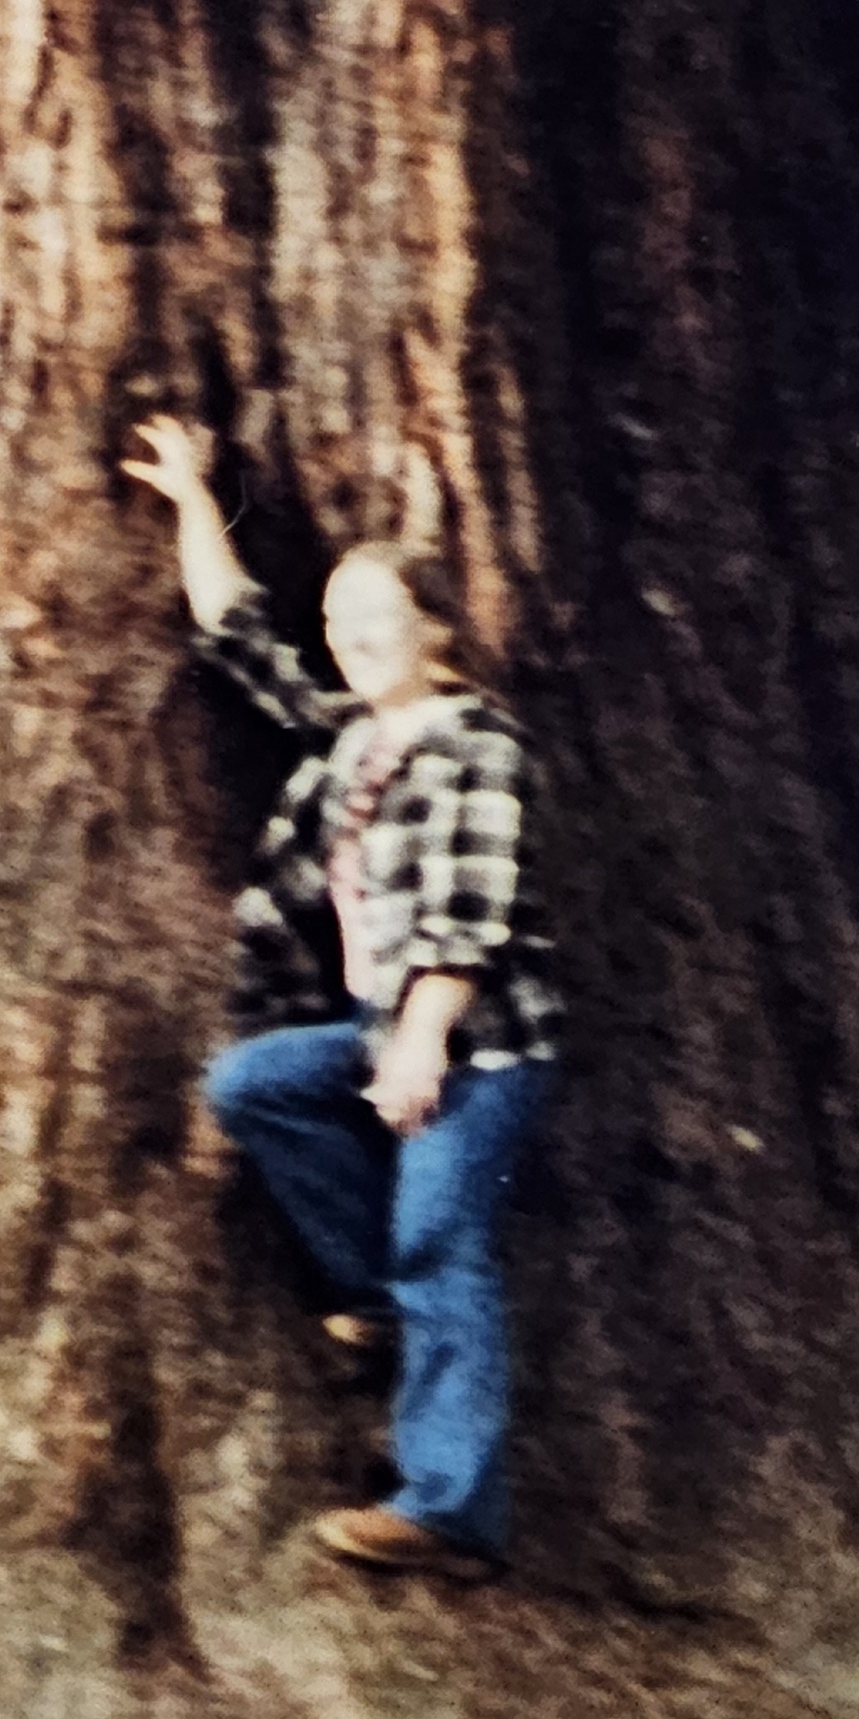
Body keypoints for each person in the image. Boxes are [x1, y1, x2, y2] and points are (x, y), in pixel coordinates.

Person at [124, 415, 563, 1586]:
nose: (355, 641)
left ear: (435, 626)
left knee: (441, 1237)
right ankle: (372, 1295)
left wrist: (419, 1043)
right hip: (384, 1029)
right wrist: (189, 499)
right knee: (255, 1083)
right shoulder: (351, 738)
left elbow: (473, 914)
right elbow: (240, 636)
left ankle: (451, 1510)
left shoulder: (478, 747)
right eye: (340, 627)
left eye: (378, 620)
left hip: (482, 1049)